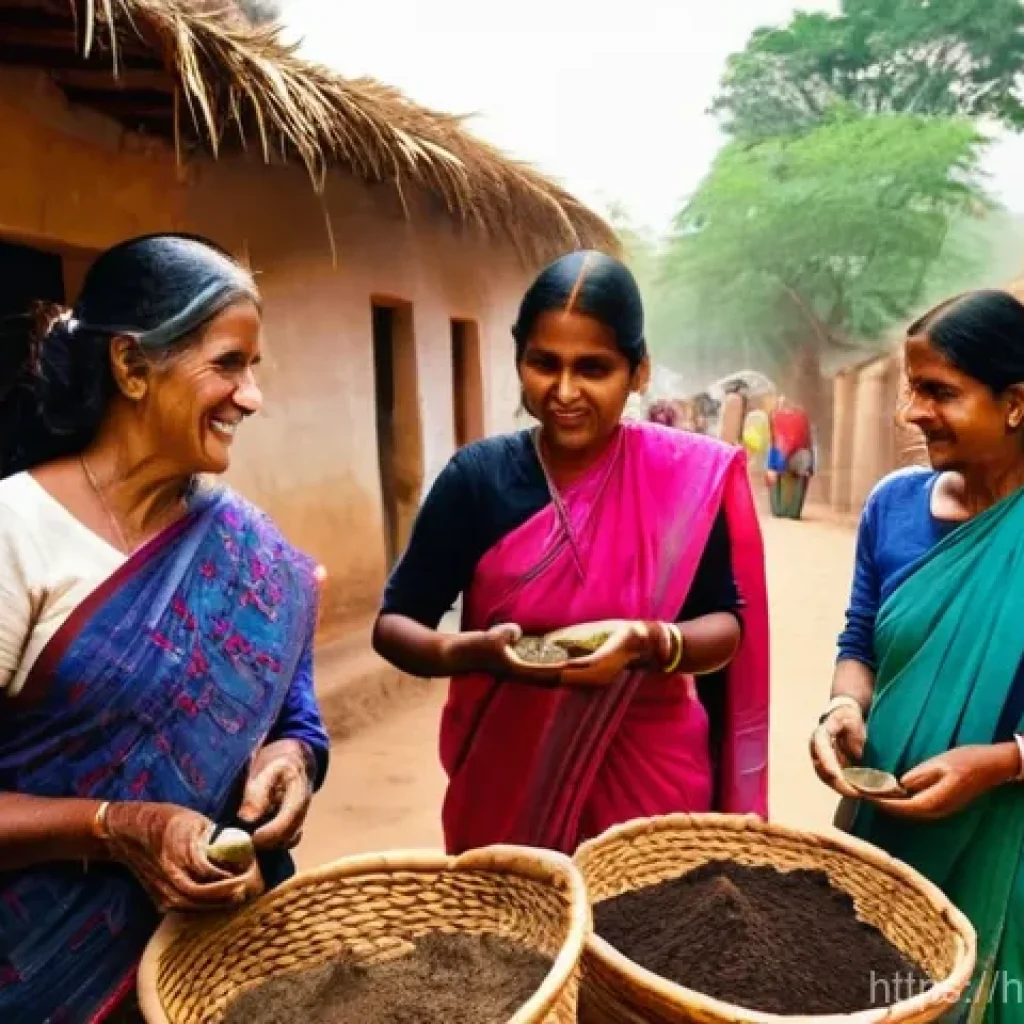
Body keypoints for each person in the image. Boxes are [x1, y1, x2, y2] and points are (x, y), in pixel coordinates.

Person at [0, 234, 329, 1021]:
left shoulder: (250, 550)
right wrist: (116, 826)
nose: (251, 396)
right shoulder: (17, 532)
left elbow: (295, 716)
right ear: (131, 366)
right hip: (40, 977)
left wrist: (292, 759)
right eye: (228, 364)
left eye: (253, 368)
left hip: (212, 970)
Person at [373, 251, 770, 856]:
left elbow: (725, 625)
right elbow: (396, 625)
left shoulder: (681, 478)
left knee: (646, 915)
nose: (564, 392)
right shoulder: (478, 480)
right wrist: (473, 653)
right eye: (544, 364)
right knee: (513, 918)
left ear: (638, 371)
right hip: (509, 787)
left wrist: (647, 642)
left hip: (652, 795)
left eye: (593, 368)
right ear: (519, 359)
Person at [810, 290, 1024, 1019]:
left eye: (940, 392)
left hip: (1008, 851)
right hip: (883, 835)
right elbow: (858, 642)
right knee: (865, 994)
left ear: (1015, 404)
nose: (912, 412)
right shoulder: (894, 506)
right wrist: (844, 707)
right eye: (911, 389)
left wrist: (1001, 763)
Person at [766, 398, 814, 519]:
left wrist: (773, 466)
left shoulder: (777, 417)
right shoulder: (800, 417)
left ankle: (781, 509)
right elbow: (808, 444)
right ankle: (791, 510)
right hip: (799, 460)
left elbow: (776, 444)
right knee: (803, 462)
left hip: (787, 460)